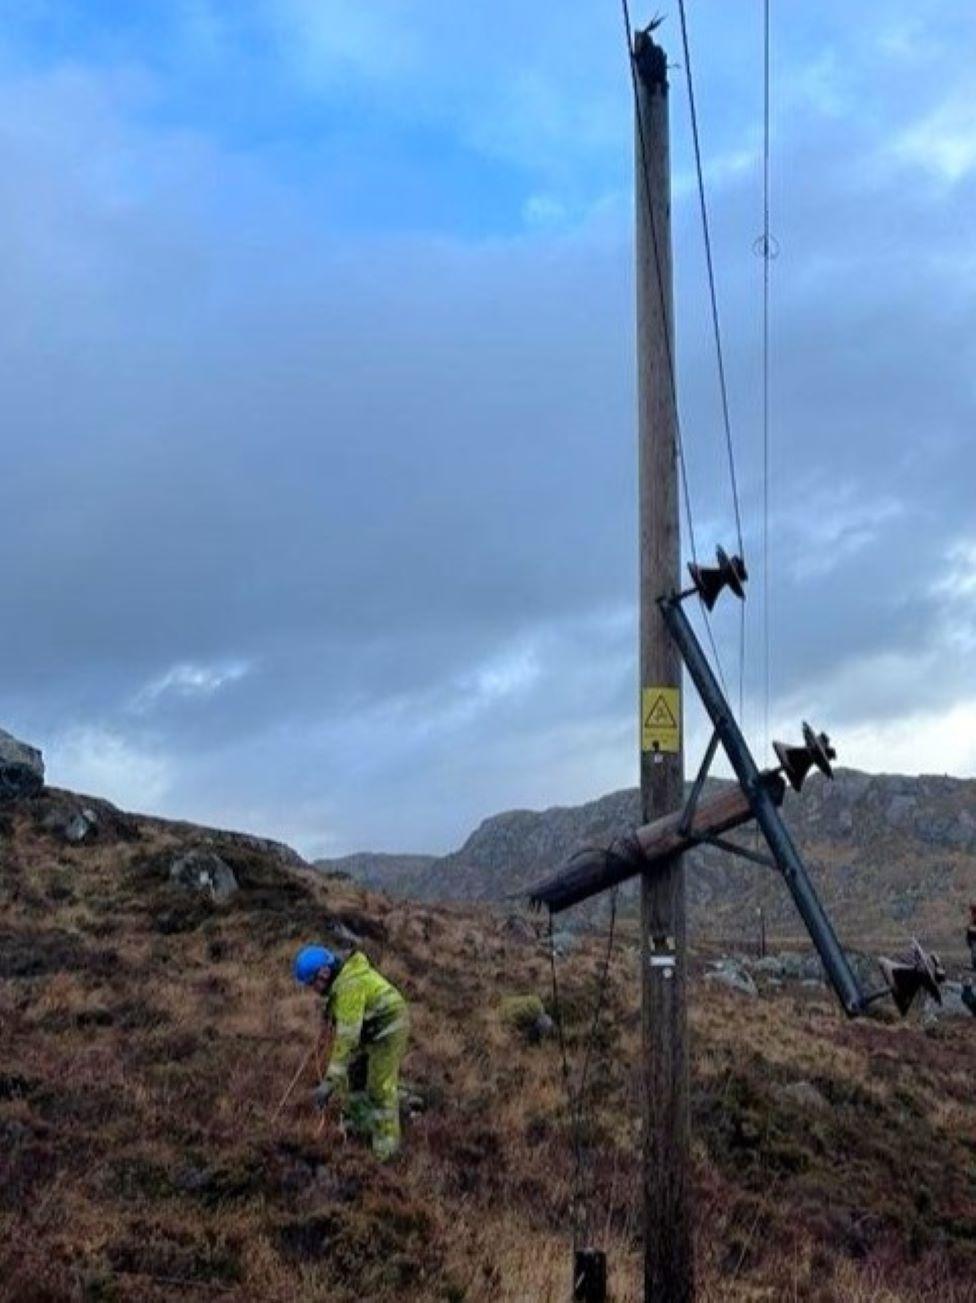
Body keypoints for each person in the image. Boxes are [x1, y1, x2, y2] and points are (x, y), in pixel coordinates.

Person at [293, 944, 409, 1161]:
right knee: (354, 1078)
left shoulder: (350, 987)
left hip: (389, 1027)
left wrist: (329, 1083)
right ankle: (358, 1128)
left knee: (379, 1088)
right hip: (369, 1028)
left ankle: (386, 1153)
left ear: (324, 973)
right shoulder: (339, 983)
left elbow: (347, 1038)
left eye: (312, 983)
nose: (313, 990)